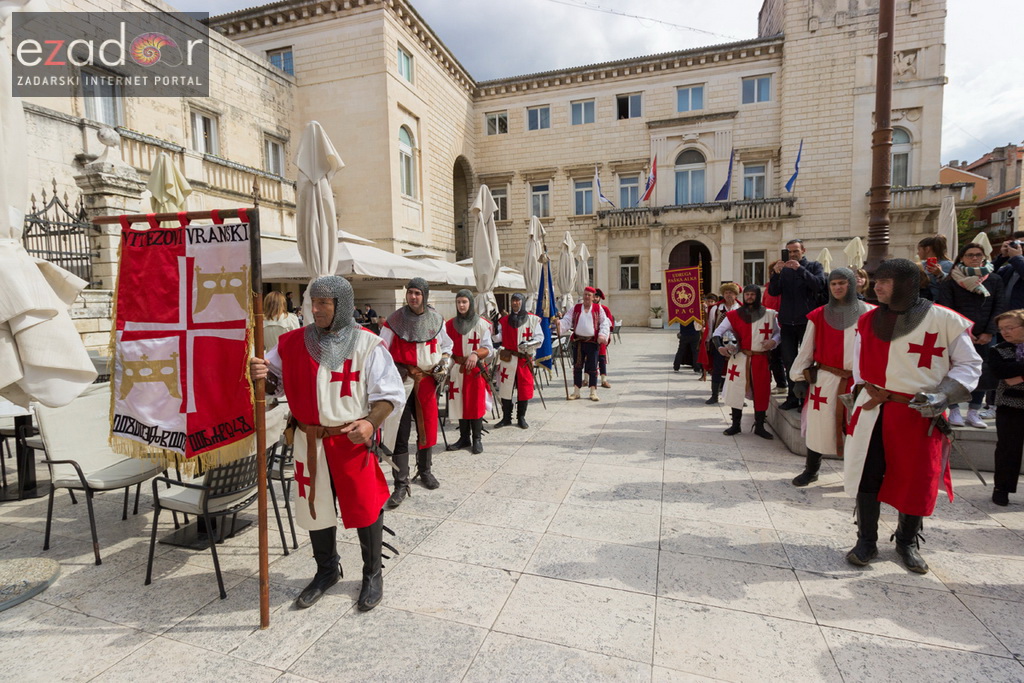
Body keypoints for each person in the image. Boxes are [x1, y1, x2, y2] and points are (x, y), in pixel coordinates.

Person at [249, 275, 405, 611]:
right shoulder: (291, 342)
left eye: (324, 303)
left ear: (341, 305)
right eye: (312, 302)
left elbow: (390, 394)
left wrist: (370, 421)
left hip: (349, 441)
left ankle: (372, 573)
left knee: (365, 508)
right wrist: (261, 373)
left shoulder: (367, 345)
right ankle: (326, 570)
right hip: (309, 441)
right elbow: (273, 381)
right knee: (314, 508)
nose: (315, 309)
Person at [843, 258, 981, 574]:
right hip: (874, 409)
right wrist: (858, 391)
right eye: (876, 280)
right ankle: (866, 540)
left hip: (917, 413)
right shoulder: (867, 320)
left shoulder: (945, 321)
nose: (876, 286)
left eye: (884, 281)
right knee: (868, 475)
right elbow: (859, 363)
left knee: (916, 480)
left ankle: (906, 542)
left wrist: (944, 394)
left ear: (906, 284)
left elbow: (970, 365)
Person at [788, 268, 873, 486]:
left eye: (842, 283)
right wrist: (798, 377)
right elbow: (806, 347)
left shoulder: (870, 314)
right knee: (819, 426)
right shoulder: (818, 315)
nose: (837, 287)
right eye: (833, 284)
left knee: (859, 428)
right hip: (825, 379)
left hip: (859, 382)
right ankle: (811, 470)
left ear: (853, 284)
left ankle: (859, 476)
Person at [379, 278, 452, 509]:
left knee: (427, 427)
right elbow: (380, 350)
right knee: (399, 432)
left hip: (426, 383)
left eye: (418, 293)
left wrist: (443, 362)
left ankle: (425, 471)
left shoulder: (437, 320)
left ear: (425, 296)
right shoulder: (394, 321)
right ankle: (400, 483)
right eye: (410, 293)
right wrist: (395, 369)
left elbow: (447, 347)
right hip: (401, 382)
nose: (413, 297)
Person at [935, 242, 1004, 428]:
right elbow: (946, 308)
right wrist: (962, 332)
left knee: (981, 372)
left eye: (978, 254)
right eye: (970, 255)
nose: (974, 258)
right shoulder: (951, 280)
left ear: (984, 257)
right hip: (957, 333)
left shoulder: (994, 279)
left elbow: (999, 307)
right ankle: (955, 409)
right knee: (952, 370)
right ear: (962, 258)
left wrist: (989, 331)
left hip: (985, 335)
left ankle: (974, 411)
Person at [713, 284, 780, 439]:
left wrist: (773, 342)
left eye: (752, 294)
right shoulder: (735, 315)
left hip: (760, 358)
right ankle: (736, 425)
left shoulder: (770, 314)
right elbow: (718, 333)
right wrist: (720, 347)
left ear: (758, 296)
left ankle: (760, 426)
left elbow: (778, 333)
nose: (749, 297)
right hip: (740, 358)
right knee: (736, 391)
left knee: (761, 392)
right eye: (747, 294)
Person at [768, 239, 827, 410]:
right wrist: (776, 274)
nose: (792, 254)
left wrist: (799, 269)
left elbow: (819, 285)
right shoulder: (784, 271)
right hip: (787, 322)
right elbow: (773, 291)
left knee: (808, 360)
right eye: (789, 251)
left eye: (795, 251)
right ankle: (793, 397)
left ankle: (807, 398)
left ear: (803, 251)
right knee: (789, 360)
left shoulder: (814, 266)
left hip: (807, 321)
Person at [444, 289, 494, 452]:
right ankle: (464, 438)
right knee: (460, 404)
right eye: (458, 302)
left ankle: (477, 439)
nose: (461, 305)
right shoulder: (449, 325)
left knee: (475, 403)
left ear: (470, 303)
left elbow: (489, 349)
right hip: (457, 370)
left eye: (464, 302)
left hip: (475, 371)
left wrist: (475, 353)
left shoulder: (482, 324)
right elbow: (446, 348)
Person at [989, 309, 1024, 506]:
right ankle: (1002, 488)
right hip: (1010, 405)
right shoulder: (998, 349)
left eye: (1010, 327)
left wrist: (1018, 374)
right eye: (1002, 329)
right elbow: (1003, 373)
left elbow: (1014, 375)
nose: (1005, 332)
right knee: (1008, 449)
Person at [494, 292, 543, 427]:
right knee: (505, 389)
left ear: (522, 302)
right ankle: (506, 418)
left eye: (517, 300)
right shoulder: (503, 321)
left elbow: (540, 338)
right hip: (508, 359)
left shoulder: (533, 320)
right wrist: (493, 329)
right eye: (513, 300)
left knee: (524, 389)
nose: (515, 303)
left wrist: (528, 344)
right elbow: (497, 339)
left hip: (523, 360)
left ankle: (521, 417)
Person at [557, 286, 611, 401]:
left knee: (592, 368)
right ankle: (576, 391)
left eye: (589, 295)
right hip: (578, 342)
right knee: (577, 367)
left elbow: (604, 323)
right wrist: (560, 324)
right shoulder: (576, 308)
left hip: (592, 343)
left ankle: (593, 391)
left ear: (593, 297)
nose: (586, 297)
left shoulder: (598, 308)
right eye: (585, 294)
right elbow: (567, 320)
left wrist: (602, 335)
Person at [699, 283, 740, 404]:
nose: (728, 295)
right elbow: (711, 325)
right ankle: (714, 395)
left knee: (736, 370)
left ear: (736, 294)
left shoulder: (740, 309)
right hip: (719, 342)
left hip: (737, 343)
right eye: (726, 292)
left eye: (731, 292)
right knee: (717, 369)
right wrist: (709, 341)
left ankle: (737, 396)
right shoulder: (716, 309)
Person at [761, 268, 788, 394]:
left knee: (788, 357)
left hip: (788, 325)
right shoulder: (768, 289)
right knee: (775, 357)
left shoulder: (788, 287)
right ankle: (781, 384)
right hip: (772, 327)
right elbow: (764, 306)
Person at [917, 235, 953, 301]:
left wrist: (940, 274)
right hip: (924, 301)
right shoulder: (921, 265)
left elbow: (954, 284)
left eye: (919, 249)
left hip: (939, 303)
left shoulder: (948, 265)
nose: (918, 253)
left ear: (927, 249)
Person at [997, 239, 1024, 312]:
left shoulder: (1017, 261)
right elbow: (987, 275)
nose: (1020, 248)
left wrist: (1017, 258)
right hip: (1005, 316)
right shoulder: (1009, 268)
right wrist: (1002, 257)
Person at [594, 289, 614, 388]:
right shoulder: (586, 308)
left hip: (601, 337)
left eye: (596, 297)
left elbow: (610, 323)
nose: (594, 298)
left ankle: (603, 380)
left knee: (601, 358)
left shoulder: (605, 309)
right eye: (593, 296)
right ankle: (586, 379)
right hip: (590, 337)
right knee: (588, 359)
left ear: (599, 298)